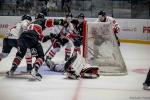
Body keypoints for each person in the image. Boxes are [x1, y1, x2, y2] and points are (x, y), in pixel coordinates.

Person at [6, 13, 64, 80]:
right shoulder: (41, 20)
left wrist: (51, 36)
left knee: (19, 55)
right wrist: (61, 22)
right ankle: (35, 69)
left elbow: (42, 38)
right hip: (31, 38)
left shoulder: (32, 24)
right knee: (40, 57)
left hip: (22, 38)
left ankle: (12, 70)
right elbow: (51, 22)